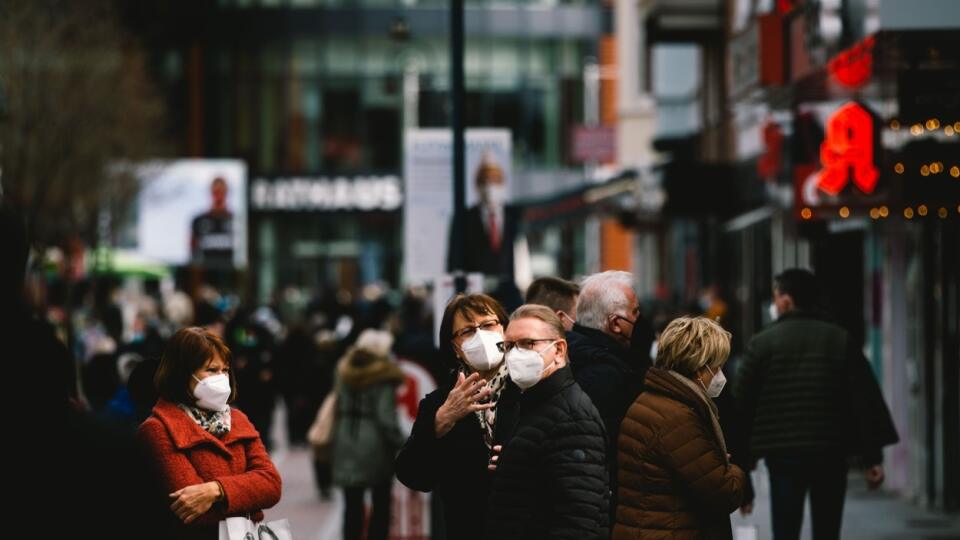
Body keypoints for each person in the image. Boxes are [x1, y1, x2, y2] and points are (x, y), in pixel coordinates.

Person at [733, 269, 897, 540]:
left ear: (786, 301)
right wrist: (872, 458)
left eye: (776, 297)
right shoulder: (839, 339)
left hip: (782, 454)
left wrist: (743, 465)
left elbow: (741, 406)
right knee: (828, 530)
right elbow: (863, 400)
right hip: (830, 452)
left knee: (785, 529)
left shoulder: (762, 344)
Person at [138, 327, 282, 540]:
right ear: (182, 374)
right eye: (211, 370)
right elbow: (190, 507)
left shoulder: (237, 419)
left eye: (224, 370)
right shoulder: (158, 428)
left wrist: (216, 490)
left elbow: (272, 485)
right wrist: (249, 495)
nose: (221, 378)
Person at [395, 293, 519, 540]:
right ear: (455, 348)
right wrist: (440, 423)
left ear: (504, 330)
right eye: (467, 331)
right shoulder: (439, 403)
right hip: (465, 528)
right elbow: (413, 475)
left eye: (487, 325)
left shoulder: (526, 389)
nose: (481, 335)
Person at [615, 316, 746, 539]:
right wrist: (731, 468)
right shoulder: (678, 418)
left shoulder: (650, 400)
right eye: (717, 366)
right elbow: (724, 493)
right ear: (699, 368)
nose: (720, 375)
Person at [485, 304, 609, 539]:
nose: (515, 354)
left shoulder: (573, 417)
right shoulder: (534, 403)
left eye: (528, 343)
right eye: (509, 346)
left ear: (559, 350)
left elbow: (578, 520)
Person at [567, 271, 654, 509]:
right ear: (616, 323)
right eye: (635, 312)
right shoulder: (607, 375)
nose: (640, 319)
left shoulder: (574, 354)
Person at [331, 329, 406, 540]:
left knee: (351, 504)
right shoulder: (383, 376)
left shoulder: (343, 370)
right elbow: (386, 419)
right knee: (381, 504)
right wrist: (404, 443)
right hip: (375, 446)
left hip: (345, 438)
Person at [448, 153, 517, 279]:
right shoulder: (463, 219)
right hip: (476, 291)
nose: (490, 186)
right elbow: (454, 263)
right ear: (477, 184)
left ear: (503, 183)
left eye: (495, 180)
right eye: (484, 181)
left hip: (510, 291)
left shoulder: (514, 215)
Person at [190, 176, 234, 269]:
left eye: (222, 192)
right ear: (211, 193)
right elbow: (192, 254)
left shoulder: (236, 221)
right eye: (216, 192)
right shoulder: (198, 221)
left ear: (226, 193)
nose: (219, 196)